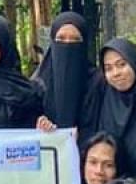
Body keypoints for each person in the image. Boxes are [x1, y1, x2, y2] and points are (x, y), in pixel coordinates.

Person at [94, 39, 136, 178]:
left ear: (135, 63)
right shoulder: (101, 103)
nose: (116, 73)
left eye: (121, 64)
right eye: (108, 68)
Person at [35, 12, 102, 142]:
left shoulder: (99, 83)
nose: (68, 44)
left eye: (76, 40)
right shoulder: (37, 85)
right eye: (61, 39)